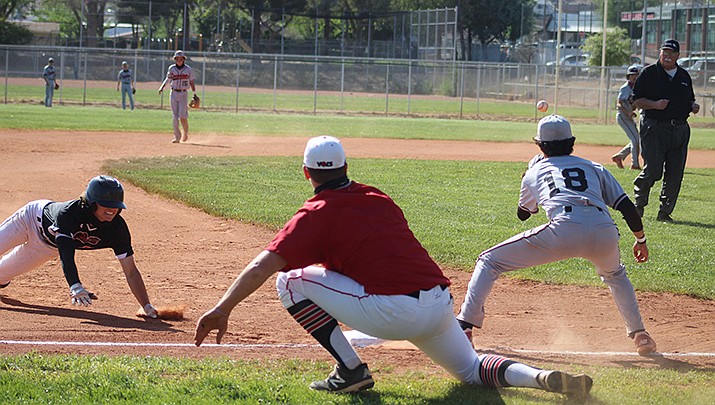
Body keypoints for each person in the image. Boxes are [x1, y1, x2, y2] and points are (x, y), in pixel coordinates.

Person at [194, 135, 593, 399]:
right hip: (437, 306)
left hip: (391, 314)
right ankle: (539, 377)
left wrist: (222, 308)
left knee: (289, 281)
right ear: (346, 167)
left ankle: (350, 371)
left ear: (307, 173)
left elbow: (263, 265)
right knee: (472, 371)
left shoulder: (314, 212)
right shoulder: (377, 197)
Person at [456, 115, 657, 357]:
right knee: (615, 275)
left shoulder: (534, 171)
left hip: (564, 228)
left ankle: (465, 326)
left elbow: (524, 214)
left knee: (489, 261)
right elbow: (626, 207)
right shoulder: (594, 167)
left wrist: (528, 176)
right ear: (572, 142)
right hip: (604, 229)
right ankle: (640, 335)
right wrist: (641, 240)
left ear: (540, 145)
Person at [0, 175, 158, 318]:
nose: (112, 209)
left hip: (47, 247)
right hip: (29, 220)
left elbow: (130, 271)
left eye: (116, 205)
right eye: (105, 204)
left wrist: (146, 306)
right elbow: (66, 252)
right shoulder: (69, 213)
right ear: (91, 203)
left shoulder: (117, 229)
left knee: (1, 275)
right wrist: (75, 286)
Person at [631, 39, 700, 222]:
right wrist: (654, 104)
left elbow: (689, 99)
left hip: (679, 129)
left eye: (671, 52)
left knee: (675, 173)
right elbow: (636, 101)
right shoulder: (649, 73)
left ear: (678, 56)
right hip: (654, 127)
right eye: (664, 52)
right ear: (660, 53)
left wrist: (693, 106)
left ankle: (665, 212)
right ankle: (638, 204)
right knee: (653, 170)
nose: (667, 55)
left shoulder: (684, 76)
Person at [158, 50, 196, 143]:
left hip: (183, 93)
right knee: (175, 116)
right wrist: (162, 87)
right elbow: (168, 79)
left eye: (181, 59)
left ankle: (185, 132)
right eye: (177, 59)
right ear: (175, 59)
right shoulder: (172, 68)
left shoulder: (188, 69)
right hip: (173, 93)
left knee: (182, 115)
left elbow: (191, 82)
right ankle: (177, 137)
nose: (179, 60)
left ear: (183, 59)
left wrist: (194, 94)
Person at [611, 64, 642, 170]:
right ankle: (635, 164)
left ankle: (619, 157)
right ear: (628, 76)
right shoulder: (625, 88)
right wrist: (627, 112)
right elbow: (619, 103)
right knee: (635, 140)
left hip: (628, 117)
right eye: (632, 75)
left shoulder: (636, 88)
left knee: (637, 140)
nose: (634, 77)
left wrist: (633, 110)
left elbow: (634, 103)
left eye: (636, 75)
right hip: (622, 116)